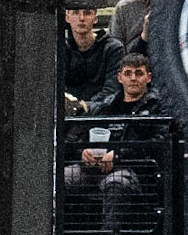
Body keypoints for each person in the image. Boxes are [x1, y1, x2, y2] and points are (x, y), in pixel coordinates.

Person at [61, 53, 160, 233]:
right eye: (128, 73)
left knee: (116, 182)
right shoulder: (104, 107)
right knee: (59, 177)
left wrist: (118, 156)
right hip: (92, 169)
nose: (133, 78)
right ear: (119, 77)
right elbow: (81, 138)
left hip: (133, 171)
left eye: (138, 73)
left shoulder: (157, 107)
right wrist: (83, 153)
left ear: (148, 77)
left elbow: (157, 143)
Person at [60, 7, 123, 114]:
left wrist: (85, 106)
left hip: (102, 112)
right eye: (75, 13)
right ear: (67, 17)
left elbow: (112, 90)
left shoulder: (113, 48)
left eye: (87, 13)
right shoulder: (61, 48)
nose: (81, 18)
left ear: (95, 18)